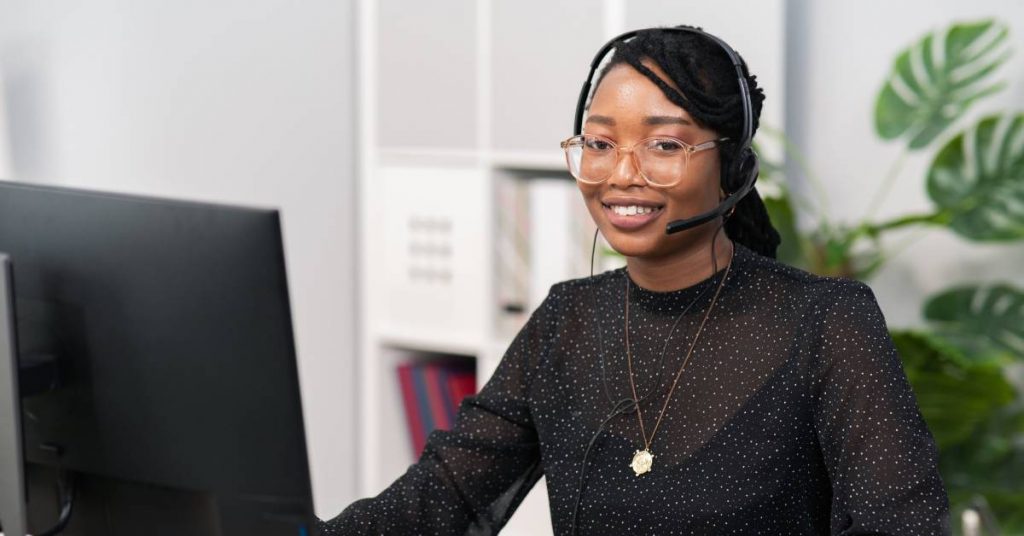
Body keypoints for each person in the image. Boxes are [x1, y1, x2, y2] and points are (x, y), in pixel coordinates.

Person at [319, 25, 950, 535]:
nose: (621, 174)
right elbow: (437, 498)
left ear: (731, 166)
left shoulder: (825, 321)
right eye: (598, 143)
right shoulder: (566, 322)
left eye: (665, 146)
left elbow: (904, 526)